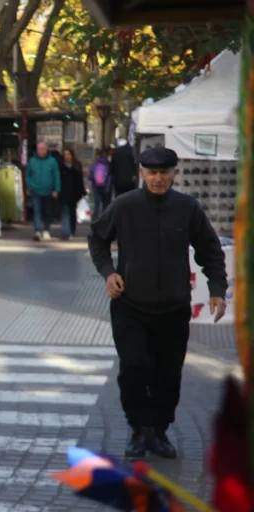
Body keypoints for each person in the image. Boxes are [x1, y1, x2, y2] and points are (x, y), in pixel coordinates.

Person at [88, 146, 228, 460]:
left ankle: (159, 431)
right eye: (151, 172)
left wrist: (217, 289)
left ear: (174, 173)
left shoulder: (187, 208)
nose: (158, 178)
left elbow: (210, 251)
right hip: (130, 306)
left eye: (164, 172)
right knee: (135, 368)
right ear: (142, 173)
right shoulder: (124, 206)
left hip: (173, 310)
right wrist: (109, 273)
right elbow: (97, 238)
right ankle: (138, 429)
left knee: (168, 375)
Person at [26, 141, 61, 241]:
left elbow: (56, 176)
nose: (41, 151)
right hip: (35, 191)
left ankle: (46, 230)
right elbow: (28, 175)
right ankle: (37, 231)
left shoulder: (52, 161)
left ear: (46, 150)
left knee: (47, 212)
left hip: (48, 191)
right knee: (37, 211)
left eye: (42, 149)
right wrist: (30, 185)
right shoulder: (32, 161)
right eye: (39, 149)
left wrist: (56, 189)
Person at [59, 148, 85, 240]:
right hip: (64, 193)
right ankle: (66, 232)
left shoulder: (77, 166)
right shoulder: (61, 167)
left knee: (72, 213)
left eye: (68, 154)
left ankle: (72, 230)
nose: (66, 157)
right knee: (65, 212)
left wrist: (82, 192)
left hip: (74, 193)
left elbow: (80, 180)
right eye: (65, 154)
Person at [89, 149, 112, 219]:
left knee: (97, 203)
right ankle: (105, 217)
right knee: (105, 202)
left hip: (96, 186)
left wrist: (93, 182)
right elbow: (110, 175)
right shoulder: (108, 163)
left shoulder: (95, 164)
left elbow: (91, 175)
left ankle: (95, 217)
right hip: (106, 186)